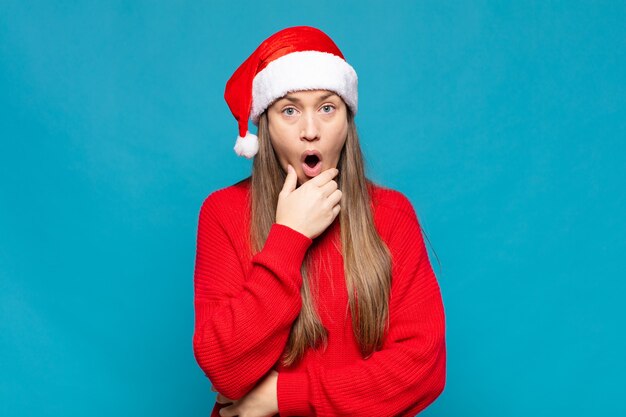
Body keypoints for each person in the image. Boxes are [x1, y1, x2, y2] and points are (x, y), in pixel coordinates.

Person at [192, 26, 446, 417]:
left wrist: (282, 396)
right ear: (265, 125)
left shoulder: (391, 215)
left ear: (347, 120)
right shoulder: (223, 212)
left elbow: (422, 368)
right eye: (289, 111)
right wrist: (288, 238)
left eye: (327, 108)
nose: (310, 131)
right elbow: (224, 368)